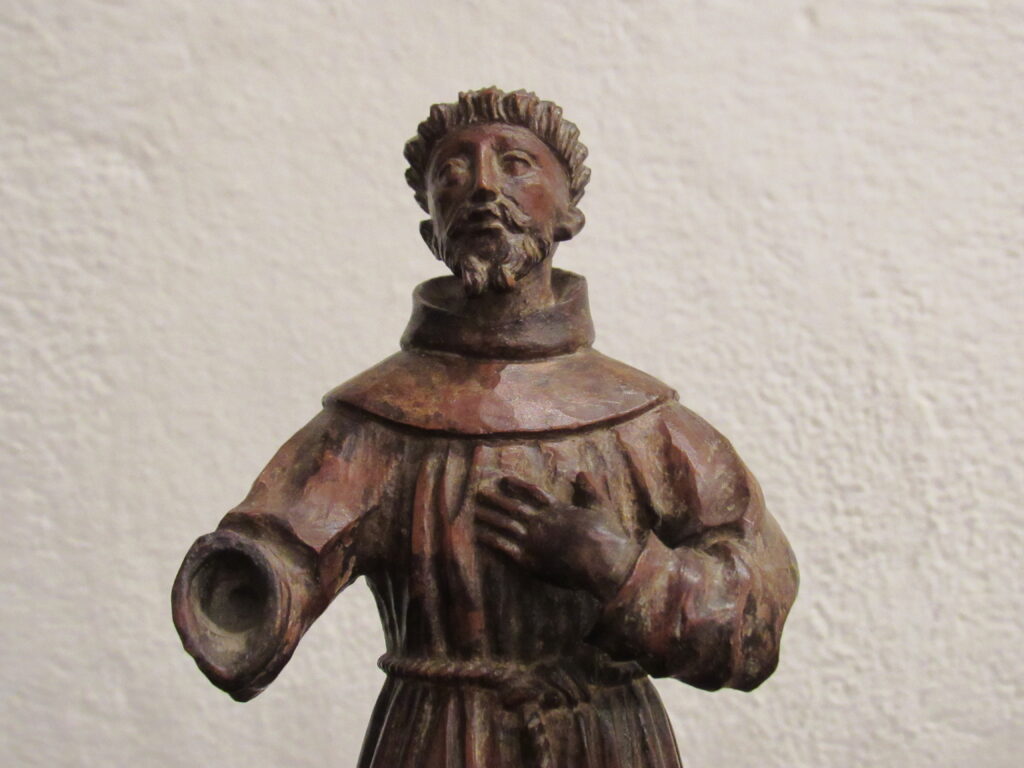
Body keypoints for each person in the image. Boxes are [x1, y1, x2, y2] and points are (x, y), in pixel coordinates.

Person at [172, 87, 799, 768]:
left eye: (516, 163)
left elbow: (752, 616)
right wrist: (248, 585)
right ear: (431, 231)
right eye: (452, 172)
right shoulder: (375, 422)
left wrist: (622, 566)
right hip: (437, 741)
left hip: (605, 740)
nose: (482, 188)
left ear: (569, 212)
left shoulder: (647, 426)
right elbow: (279, 557)